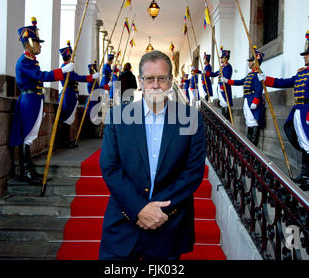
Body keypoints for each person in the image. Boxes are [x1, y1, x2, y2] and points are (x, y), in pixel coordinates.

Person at [99, 50, 206, 260]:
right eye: (149, 79)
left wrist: (155, 212)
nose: (156, 85)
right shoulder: (118, 117)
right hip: (123, 224)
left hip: (168, 225)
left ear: (171, 81)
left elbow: (192, 172)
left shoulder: (191, 119)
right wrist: (139, 209)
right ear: (141, 81)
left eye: (162, 79)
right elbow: (110, 167)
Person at [259, 31, 309, 191]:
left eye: (307, 54)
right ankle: (304, 174)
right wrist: (266, 79)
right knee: (305, 144)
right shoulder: (302, 72)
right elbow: (286, 82)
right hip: (299, 110)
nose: (304, 57)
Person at [9, 17, 75, 185]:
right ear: (30, 43)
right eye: (37, 42)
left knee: (31, 135)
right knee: (28, 137)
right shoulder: (24, 62)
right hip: (30, 100)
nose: (40, 45)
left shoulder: (31, 61)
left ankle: (28, 169)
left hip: (35, 99)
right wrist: (61, 71)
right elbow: (40, 76)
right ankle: (25, 171)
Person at [57, 41, 100, 148]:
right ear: (68, 56)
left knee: (69, 119)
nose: (73, 58)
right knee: (67, 119)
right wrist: (91, 77)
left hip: (72, 95)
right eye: (71, 56)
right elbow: (77, 78)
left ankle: (66, 141)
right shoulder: (66, 68)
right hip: (68, 95)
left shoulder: (68, 67)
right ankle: (64, 142)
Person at [223, 46, 265, 147]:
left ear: (255, 62)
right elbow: (241, 81)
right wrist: (228, 81)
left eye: (251, 61)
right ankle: (249, 146)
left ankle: (253, 147)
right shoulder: (250, 74)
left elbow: (259, 88)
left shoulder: (258, 73)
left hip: (253, 100)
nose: (249, 62)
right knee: (249, 122)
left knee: (253, 122)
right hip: (247, 99)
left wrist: (255, 101)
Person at [217, 47, 233, 120]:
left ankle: (227, 121)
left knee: (225, 104)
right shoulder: (222, 67)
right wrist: (205, 73)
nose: (221, 59)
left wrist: (222, 87)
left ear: (226, 58)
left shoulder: (228, 67)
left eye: (222, 58)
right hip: (220, 86)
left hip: (224, 88)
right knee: (222, 104)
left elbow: (226, 79)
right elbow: (215, 74)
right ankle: (223, 121)